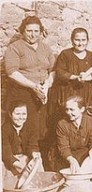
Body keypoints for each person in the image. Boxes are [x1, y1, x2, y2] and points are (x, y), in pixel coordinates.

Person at [4, 15, 55, 143]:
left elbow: (53, 70)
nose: (33, 35)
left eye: (36, 31)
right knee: (26, 126)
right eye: (29, 31)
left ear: (41, 32)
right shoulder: (15, 47)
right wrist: (33, 86)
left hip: (43, 93)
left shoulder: (46, 48)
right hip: (22, 93)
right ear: (23, 31)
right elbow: (12, 72)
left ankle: (38, 156)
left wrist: (47, 84)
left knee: (42, 126)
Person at [52, 27, 92, 118]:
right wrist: (75, 77)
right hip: (69, 92)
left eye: (83, 40)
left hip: (87, 94)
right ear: (72, 40)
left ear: (87, 40)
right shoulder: (65, 54)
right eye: (77, 40)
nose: (80, 43)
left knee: (85, 118)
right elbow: (60, 72)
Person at [56, 96, 92, 174]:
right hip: (67, 157)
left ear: (82, 109)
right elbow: (63, 148)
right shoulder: (62, 124)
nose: (68, 112)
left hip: (84, 155)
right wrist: (71, 160)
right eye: (67, 109)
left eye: (72, 109)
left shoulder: (90, 121)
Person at [2, 101, 44, 176]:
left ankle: (40, 183)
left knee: (38, 161)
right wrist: (18, 164)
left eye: (24, 114)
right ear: (10, 114)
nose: (21, 117)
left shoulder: (30, 128)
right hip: (11, 160)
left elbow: (32, 145)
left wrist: (34, 154)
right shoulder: (4, 129)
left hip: (25, 157)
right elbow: (6, 152)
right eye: (17, 114)